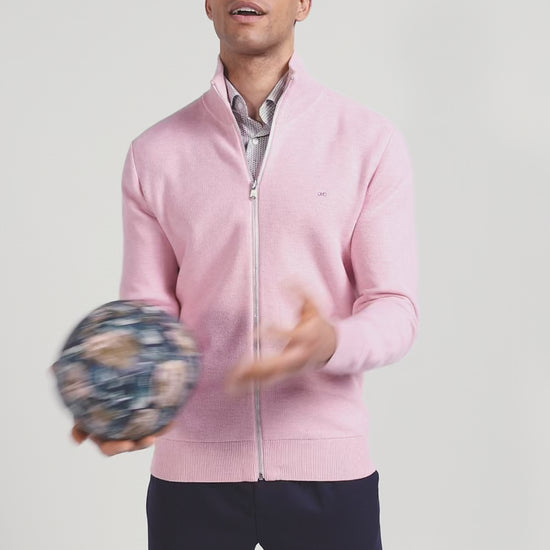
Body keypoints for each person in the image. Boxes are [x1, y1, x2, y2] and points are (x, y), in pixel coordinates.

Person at [72, 1, 420, 548]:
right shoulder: (154, 154)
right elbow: (148, 313)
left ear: (304, 4)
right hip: (191, 481)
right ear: (209, 4)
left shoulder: (367, 142)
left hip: (328, 474)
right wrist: (121, 398)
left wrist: (332, 342)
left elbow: (395, 306)